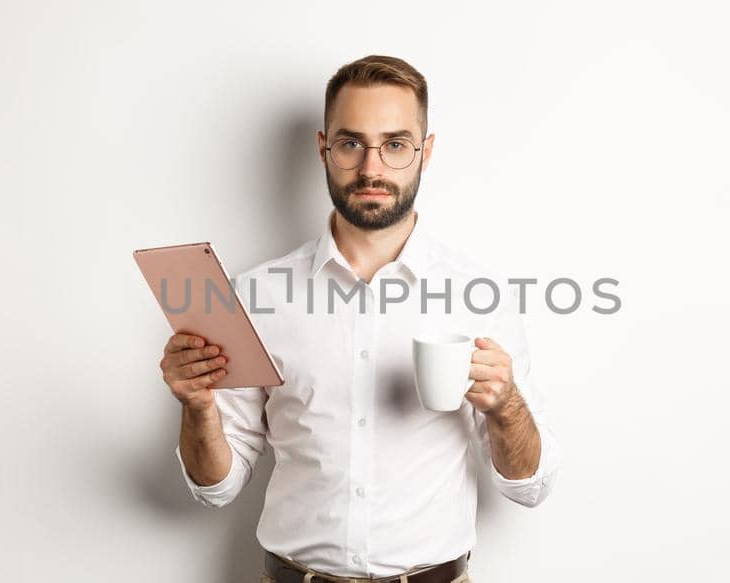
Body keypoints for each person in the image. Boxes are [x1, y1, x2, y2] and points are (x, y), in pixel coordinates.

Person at [159, 55, 562, 583]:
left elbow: (528, 486)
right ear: (324, 148)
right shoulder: (253, 295)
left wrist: (508, 407)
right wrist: (197, 406)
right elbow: (217, 486)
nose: (372, 168)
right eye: (351, 144)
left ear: (426, 152)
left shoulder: (479, 296)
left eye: (395, 145)